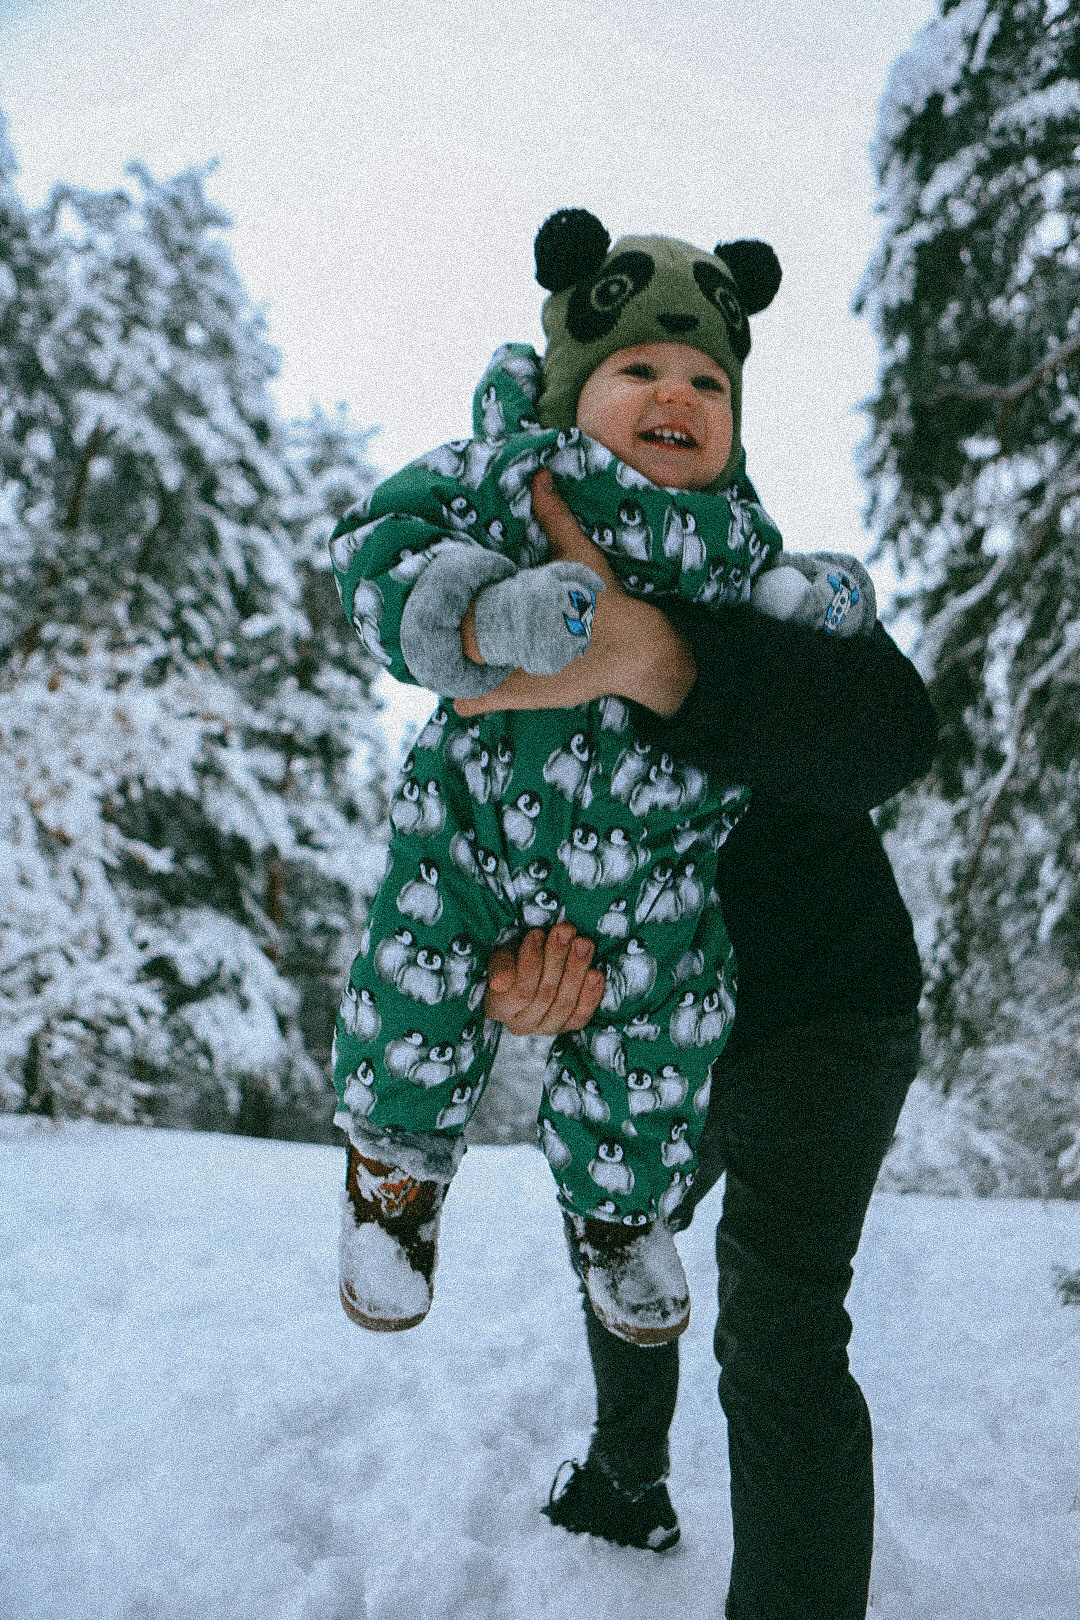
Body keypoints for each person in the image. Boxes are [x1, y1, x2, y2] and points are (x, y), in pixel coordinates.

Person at [328, 209, 879, 1346]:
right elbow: (377, 546)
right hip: (472, 840)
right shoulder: (511, 473)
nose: (675, 396)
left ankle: (622, 1218)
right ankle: (395, 1178)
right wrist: (481, 612)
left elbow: (787, 640)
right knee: (415, 979)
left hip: (654, 873)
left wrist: (811, 600)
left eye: (706, 383)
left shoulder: (733, 538)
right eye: (636, 367)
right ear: (572, 385)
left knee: (666, 1027)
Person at [471, 475, 937, 1614]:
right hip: (664, 1021)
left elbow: (892, 732)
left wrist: (659, 651)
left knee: (778, 1327)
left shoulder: (757, 598)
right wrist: (513, 981)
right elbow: (499, 858)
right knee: (614, 1215)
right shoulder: (521, 655)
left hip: (824, 1005)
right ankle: (628, 1481)